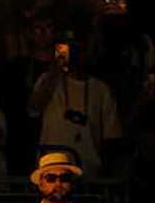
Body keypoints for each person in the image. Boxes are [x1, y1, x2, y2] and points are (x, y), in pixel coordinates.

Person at [30, 39, 121, 178]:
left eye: (78, 50)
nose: (73, 55)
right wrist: (54, 72)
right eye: (69, 50)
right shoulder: (48, 81)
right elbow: (33, 109)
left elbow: (111, 137)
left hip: (88, 170)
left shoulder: (101, 89)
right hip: (52, 169)